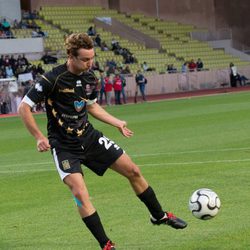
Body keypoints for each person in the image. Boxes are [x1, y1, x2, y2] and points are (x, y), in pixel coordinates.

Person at [18, 33, 187, 250]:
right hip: (64, 146)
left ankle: (159, 216)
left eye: (92, 58)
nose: (90, 63)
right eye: (85, 59)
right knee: (80, 193)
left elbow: (91, 106)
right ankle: (106, 244)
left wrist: (116, 122)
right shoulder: (51, 79)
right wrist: (39, 137)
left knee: (133, 170)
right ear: (71, 56)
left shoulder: (90, 77)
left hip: (89, 137)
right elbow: (24, 107)